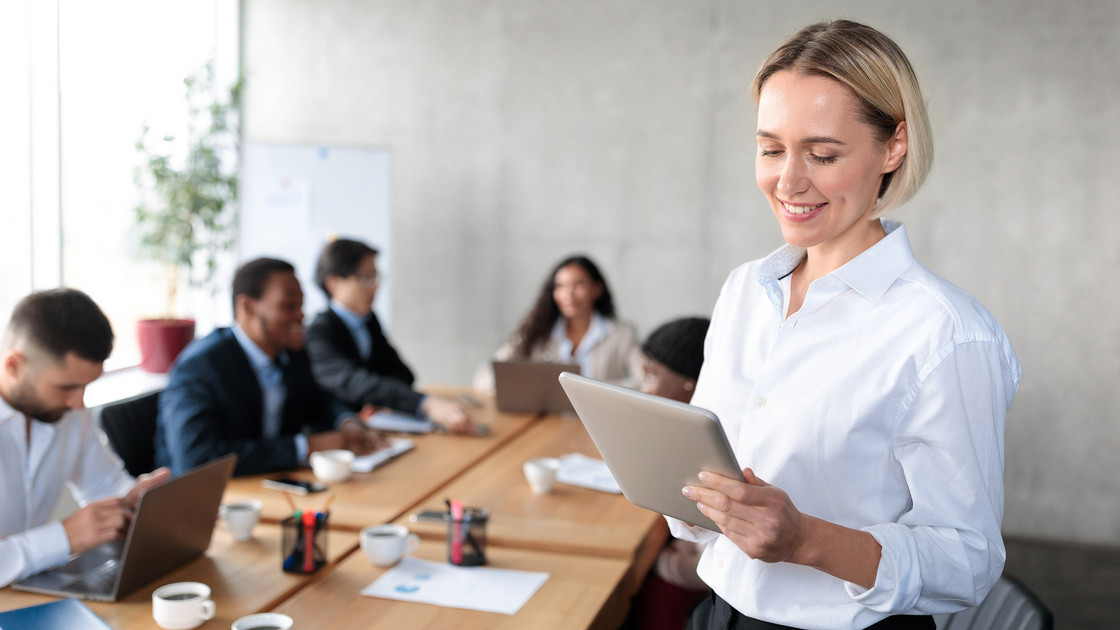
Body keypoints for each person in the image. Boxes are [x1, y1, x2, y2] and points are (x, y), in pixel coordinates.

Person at [673, 20, 1022, 630]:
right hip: (717, 612)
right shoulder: (745, 292)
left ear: (893, 147)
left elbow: (968, 561)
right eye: (772, 148)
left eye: (823, 154)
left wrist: (806, 539)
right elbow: (707, 478)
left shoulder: (945, 334)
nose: (788, 181)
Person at [0, 289, 170, 587]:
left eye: (86, 386)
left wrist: (132, 499)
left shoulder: (69, 413)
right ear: (13, 366)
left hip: (33, 591)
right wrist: (65, 537)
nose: (79, 403)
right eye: (66, 387)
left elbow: (103, 484)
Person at [155, 257, 381, 477]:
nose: (300, 315)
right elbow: (198, 459)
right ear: (247, 307)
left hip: (271, 484)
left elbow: (319, 400)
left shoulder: (291, 354)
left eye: (301, 305)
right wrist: (305, 447)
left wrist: (346, 422)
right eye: (289, 305)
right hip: (209, 500)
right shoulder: (199, 368)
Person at [305, 238, 473, 434]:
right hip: (337, 437)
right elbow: (353, 382)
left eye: (376, 278)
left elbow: (401, 372)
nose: (374, 287)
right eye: (365, 278)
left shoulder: (369, 320)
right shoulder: (319, 331)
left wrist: (379, 398)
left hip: (378, 430)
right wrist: (425, 403)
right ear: (333, 283)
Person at [625, 317, 712, 630]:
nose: (644, 388)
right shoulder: (678, 433)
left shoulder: (716, 453)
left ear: (689, 382)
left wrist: (656, 563)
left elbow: (708, 567)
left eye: (651, 376)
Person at [473, 255, 642, 391]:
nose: (569, 294)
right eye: (560, 286)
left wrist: (594, 392)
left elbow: (645, 382)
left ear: (596, 289)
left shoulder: (622, 335)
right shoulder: (536, 329)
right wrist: (528, 390)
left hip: (595, 424)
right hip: (544, 424)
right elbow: (485, 377)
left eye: (578, 285)